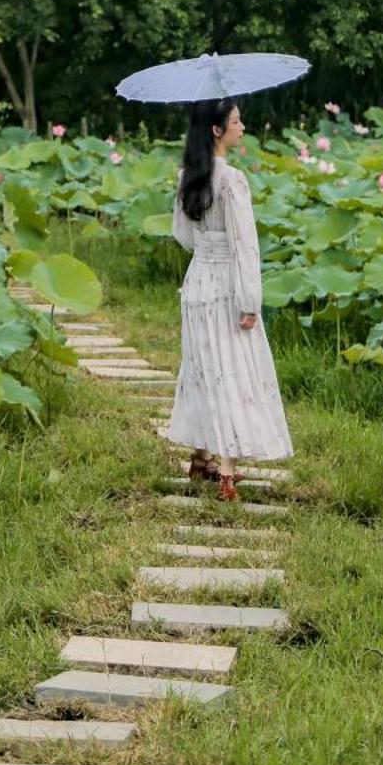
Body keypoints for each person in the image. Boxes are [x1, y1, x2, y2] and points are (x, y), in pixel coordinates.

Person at [165, 94, 293, 500]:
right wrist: (249, 301)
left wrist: (206, 246)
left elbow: (182, 236)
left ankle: (200, 455)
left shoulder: (189, 175)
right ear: (216, 130)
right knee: (233, 368)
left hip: (197, 280)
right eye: (236, 122)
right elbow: (245, 246)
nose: (242, 127)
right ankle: (227, 469)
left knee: (202, 365)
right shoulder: (233, 180)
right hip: (226, 283)